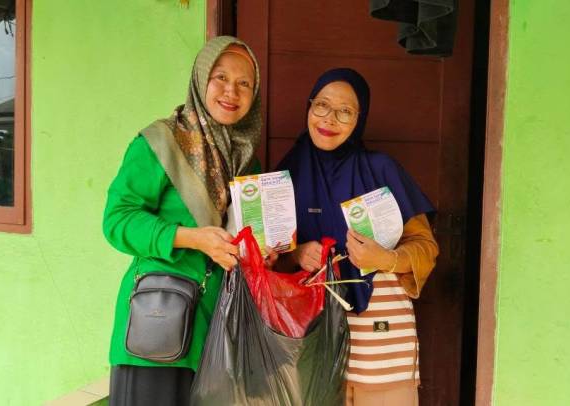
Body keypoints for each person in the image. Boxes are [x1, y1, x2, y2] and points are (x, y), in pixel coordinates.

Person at [102, 36, 261, 406]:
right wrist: (194, 238)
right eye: (221, 78)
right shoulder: (161, 143)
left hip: (215, 330)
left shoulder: (245, 159)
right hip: (159, 321)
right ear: (200, 78)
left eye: (244, 83)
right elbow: (117, 221)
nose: (231, 91)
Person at [275, 68, 439, 406]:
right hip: (310, 341)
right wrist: (296, 254)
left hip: (380, 343)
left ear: (359, 119)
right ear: (309, 106)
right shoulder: (286, 173)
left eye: (345, 111)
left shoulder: (380, 169)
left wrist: (387, 259)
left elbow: (425, 248)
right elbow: (267, 255)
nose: (329, 119)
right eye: (322, 105)